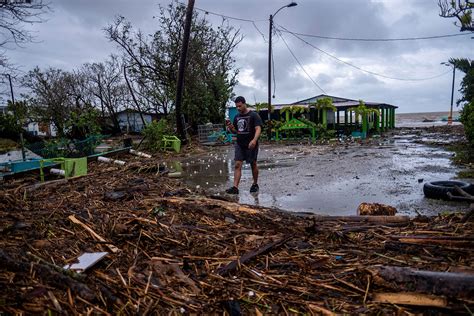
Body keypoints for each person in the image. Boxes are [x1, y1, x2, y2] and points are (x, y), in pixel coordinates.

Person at [225, 96, 263, 194]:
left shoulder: (254, 115)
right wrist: (230, 127)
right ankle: (235, 187)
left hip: (251, 144)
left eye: (240, 106)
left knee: (253, 163)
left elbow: (258, 129)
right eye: (236, 106)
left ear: (244, 104)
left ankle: (255, 184)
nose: (238, 108)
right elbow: (236, 131)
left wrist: (254, 140)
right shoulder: (237, 117)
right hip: (240, 144)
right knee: (237, 164)